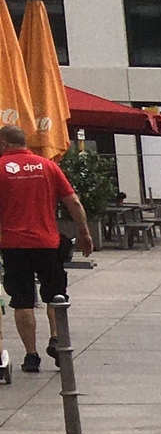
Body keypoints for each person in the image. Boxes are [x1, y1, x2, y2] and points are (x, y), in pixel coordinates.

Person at [0, 123, 94, 384]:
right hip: (48, 243)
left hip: (14, 245)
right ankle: (56, 337)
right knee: (55, 295)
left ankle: (31, 356)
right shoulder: (48, 166)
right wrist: (84, 232)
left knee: (22, 300)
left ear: (5, 144)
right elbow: (73, 201)